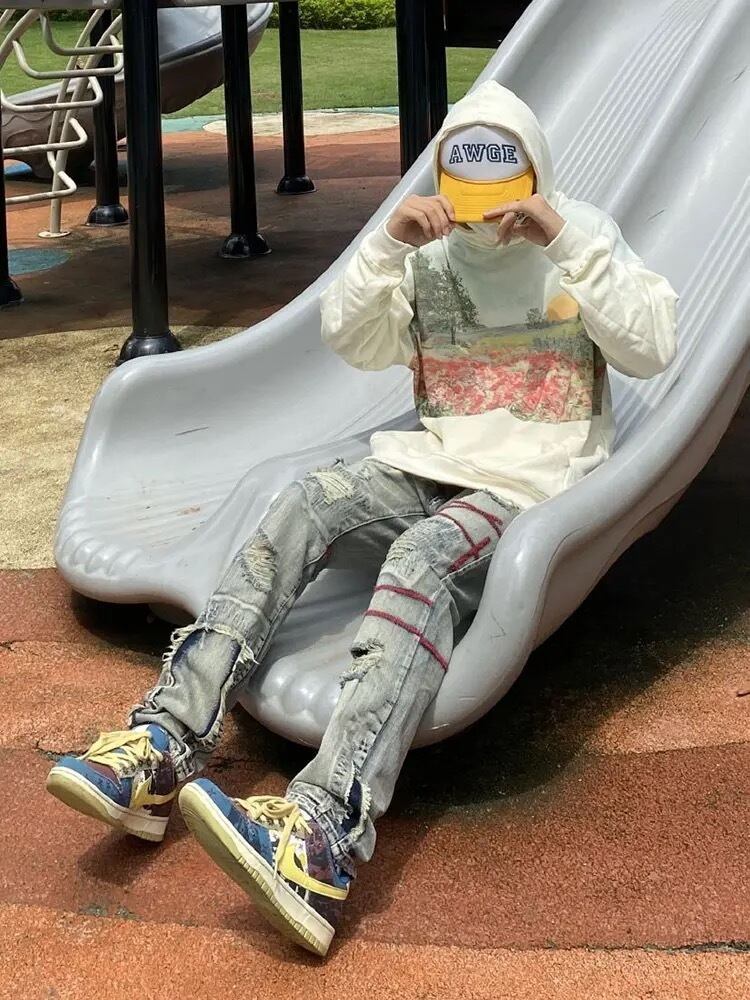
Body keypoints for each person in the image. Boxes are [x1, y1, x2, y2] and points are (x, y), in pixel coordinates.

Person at [45, 81, 678, 957]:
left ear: (534, 173)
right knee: (304, 500)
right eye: (467, 178)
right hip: (436, 462)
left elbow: (652, 346)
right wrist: (386, 246)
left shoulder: (583, 236)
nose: (484, 205)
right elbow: (356, 342)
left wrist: (565, 240)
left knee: (423, 557)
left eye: (504, 177)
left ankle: (325, 831)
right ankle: (165, 738)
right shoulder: (428, 253)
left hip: (530, 485)